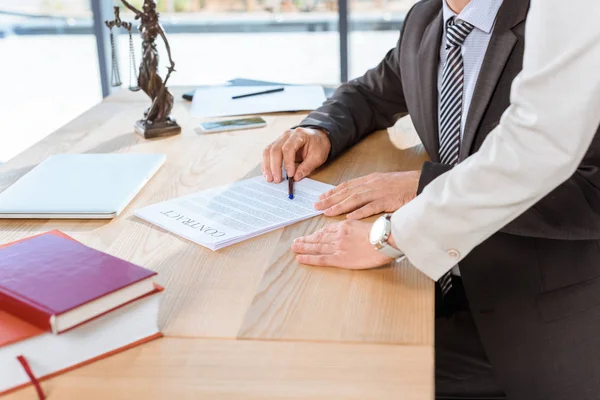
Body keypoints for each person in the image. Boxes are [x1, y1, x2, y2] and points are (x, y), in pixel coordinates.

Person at [262, 0, 600, 398]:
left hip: (539, 317)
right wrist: (318, 130)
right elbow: (371, 94)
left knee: (334, 374)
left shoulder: (559, 23)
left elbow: (590, 190)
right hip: (437, 282)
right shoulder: (427, 20)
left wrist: (421, 191)